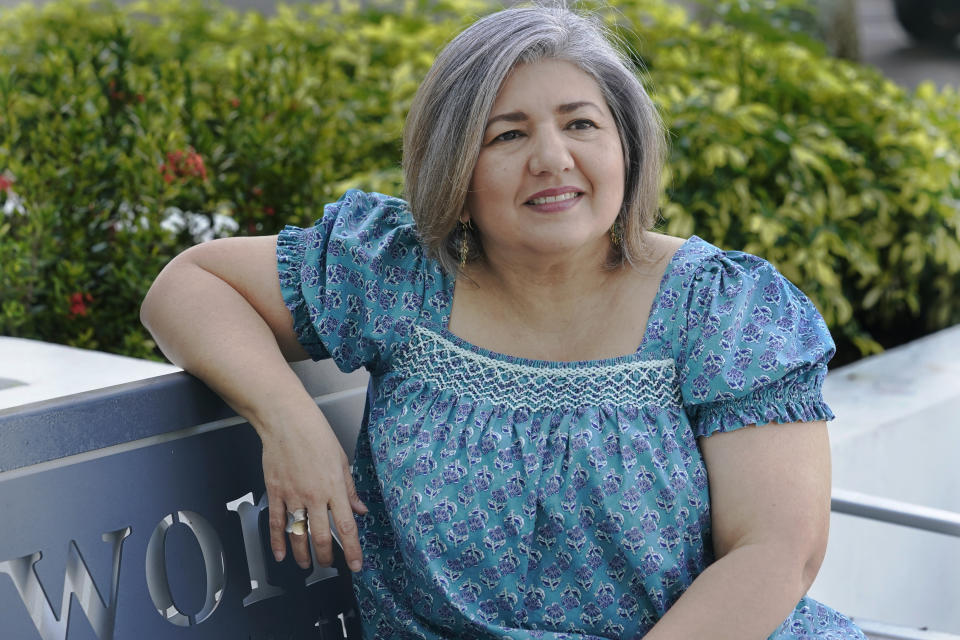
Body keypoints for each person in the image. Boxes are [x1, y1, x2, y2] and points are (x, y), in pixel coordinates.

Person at [141, 4, 867, 639]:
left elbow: (776, 552)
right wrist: (290, 424)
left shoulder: (720, 308)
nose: (553, 159)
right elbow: (186, 285)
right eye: (507, 135)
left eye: (581, 123)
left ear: (626, 149)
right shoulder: (397, 275)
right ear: (455, 173)